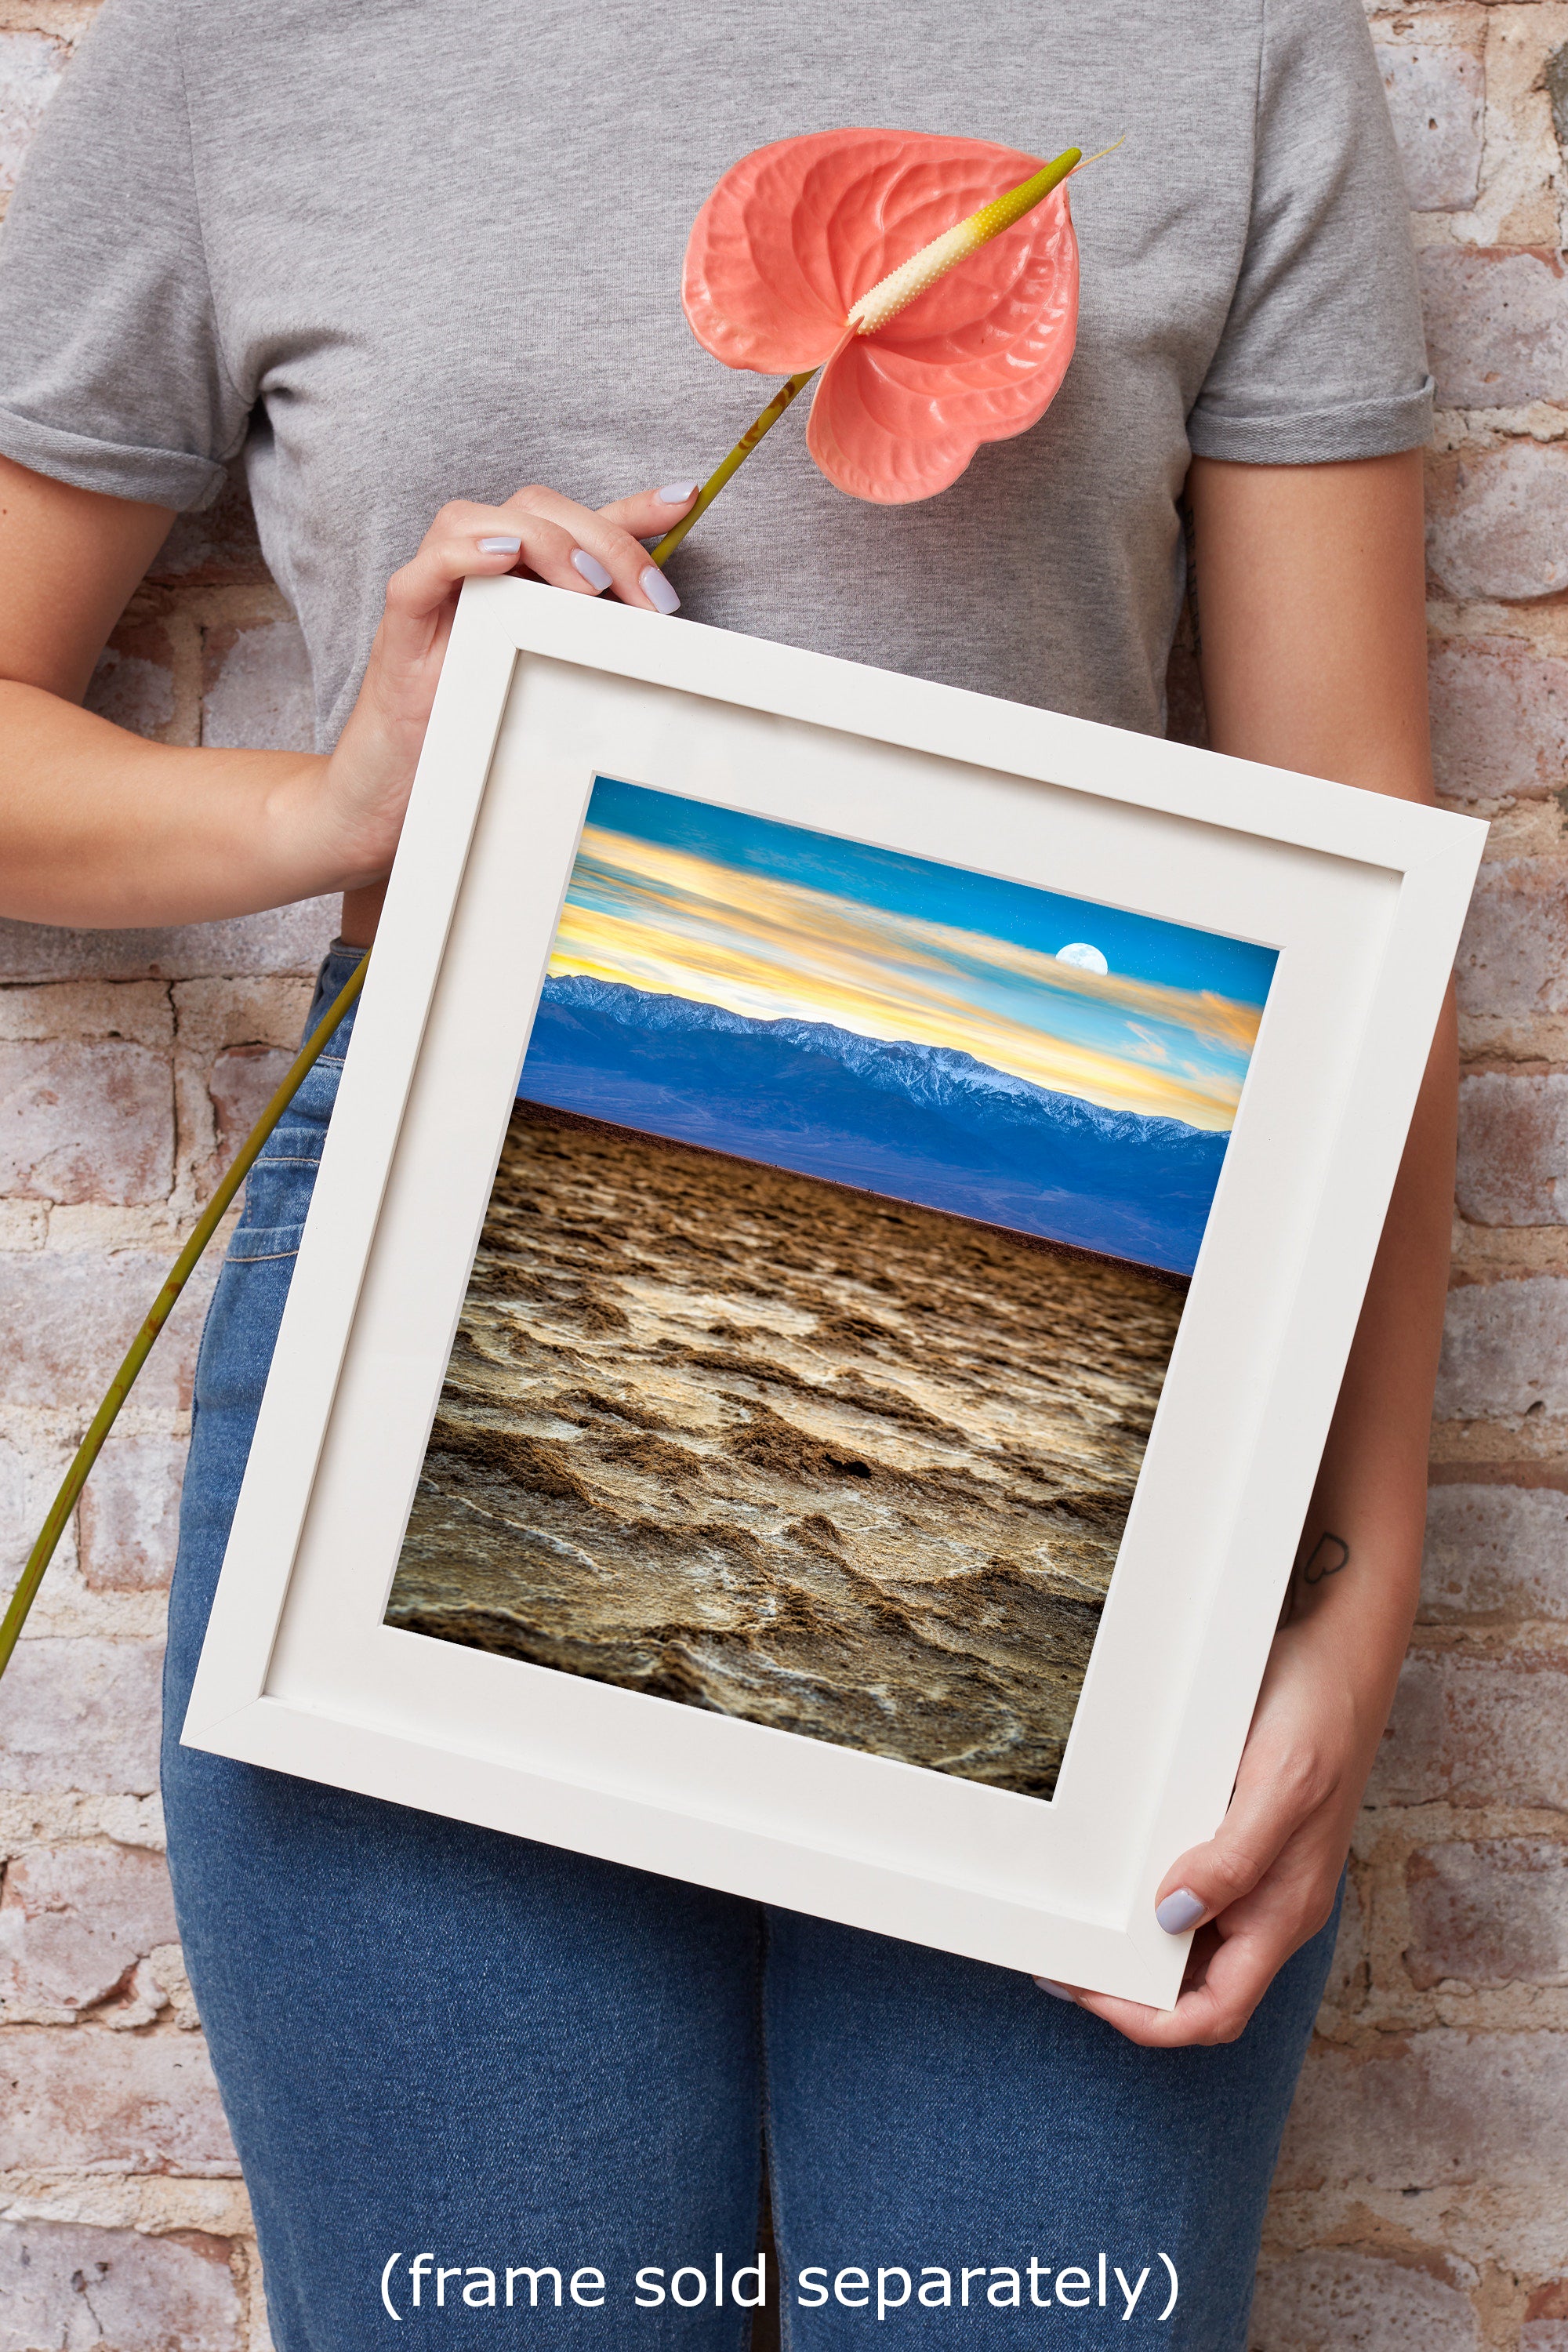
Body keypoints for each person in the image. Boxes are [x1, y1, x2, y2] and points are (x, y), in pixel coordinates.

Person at [0, 1, 1451, 2344]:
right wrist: (326, 804)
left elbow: (1368, 874)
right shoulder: (234, 47)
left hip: (1089, 1334)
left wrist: (1351, 1596)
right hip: (431, 1284)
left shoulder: (1228, 40)